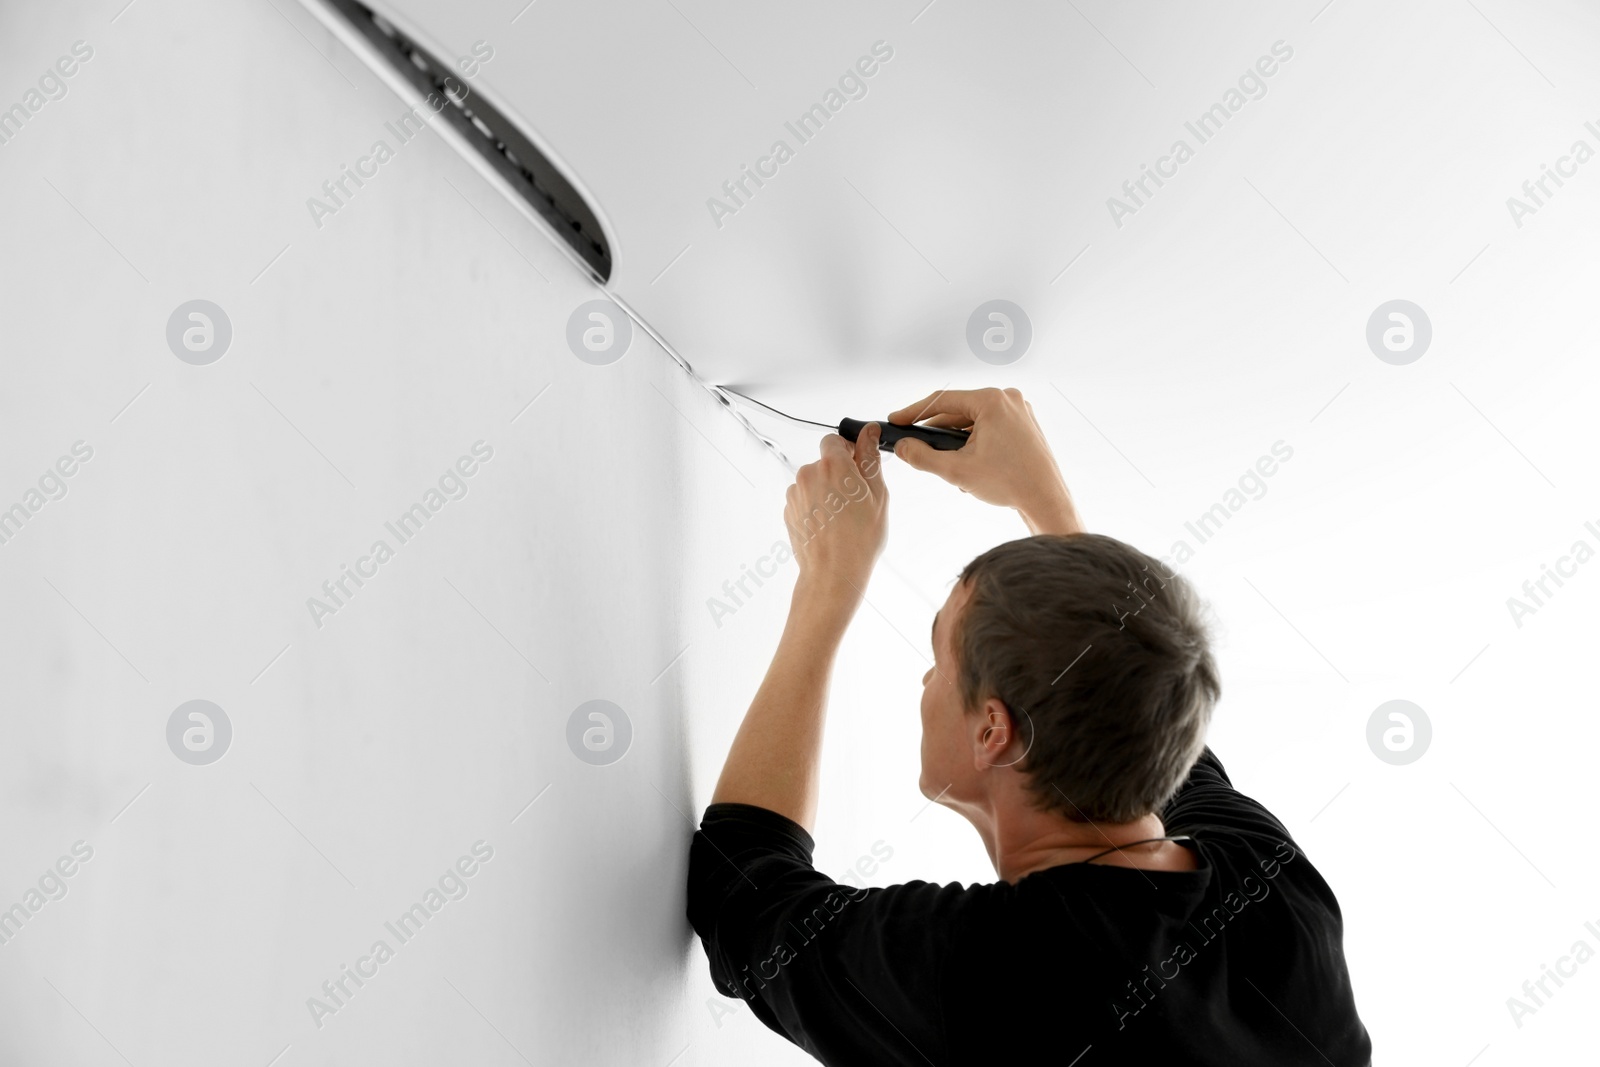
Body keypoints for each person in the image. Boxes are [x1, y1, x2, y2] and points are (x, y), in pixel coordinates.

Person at [686, 387, 1370, 1065]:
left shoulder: (989, 971)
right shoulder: (1275, 892)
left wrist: (824, 590)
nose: (927, 682)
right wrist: (1042, 498)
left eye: (939, 658)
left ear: (993, 729)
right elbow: (1136, 704)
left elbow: (740, 885)